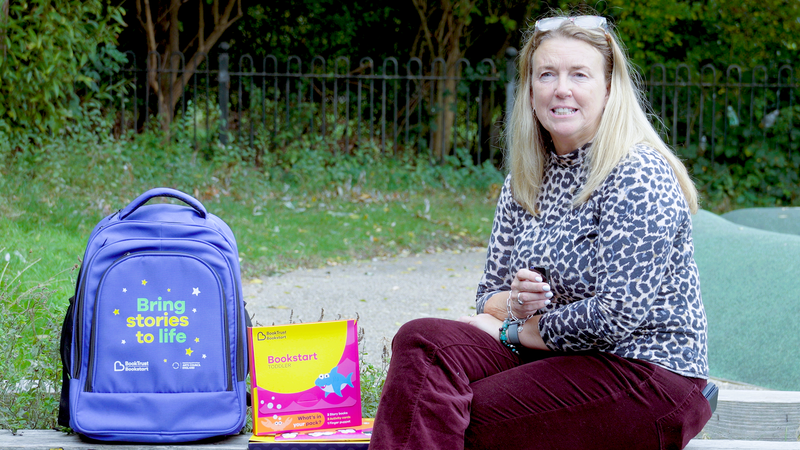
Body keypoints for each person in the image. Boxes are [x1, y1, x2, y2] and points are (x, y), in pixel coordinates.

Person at [369, 13, 712, 450]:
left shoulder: (636, 172)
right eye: (546, 74)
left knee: (449, 414)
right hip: (553, 356)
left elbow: (615, 317)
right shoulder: (526, 178)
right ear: (530, 91)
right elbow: (487, 298)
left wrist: (514, 330)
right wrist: (515, 303)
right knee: (422, 341)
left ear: (609, 89)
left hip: (644, 372)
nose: (560, 89)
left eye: (579, 74)